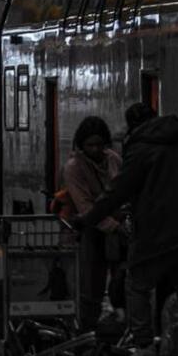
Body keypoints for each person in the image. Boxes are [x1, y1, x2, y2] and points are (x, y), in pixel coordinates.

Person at [79, 103, 178, 356]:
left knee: (137, 284)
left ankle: (144, 346)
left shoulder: (141, 147)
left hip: (158, 231)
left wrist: (87, 219)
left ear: (133, 126)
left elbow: (118, 191)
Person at [60, 115, 126, 330]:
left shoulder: (114, 159)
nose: (96, 150)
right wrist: (116, 226)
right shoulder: (73, 167)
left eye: (100, 144)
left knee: (119, 281)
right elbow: (84, 206)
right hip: (85, 232)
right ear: (81, 145)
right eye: (90, 145)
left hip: (113, 230)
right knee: (90, 285)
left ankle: (114, 325)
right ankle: (87, 328)